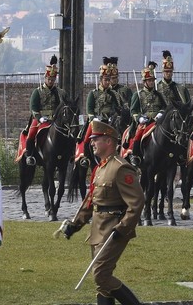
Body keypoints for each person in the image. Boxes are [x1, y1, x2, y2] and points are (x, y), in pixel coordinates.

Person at [55, 119, 144, 305]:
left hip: (114, 229)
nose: (92, 143)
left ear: (109, 141)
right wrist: (75, 224)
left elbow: (136, 203)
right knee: (102, 284)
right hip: (97, 229)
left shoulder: (121, 168)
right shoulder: (100, 168)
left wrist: (122, 228)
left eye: (96, 139)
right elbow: (91, 201)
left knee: (101, 275)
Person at [21, 55, 68, 165]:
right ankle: (30, 155)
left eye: (53, 79)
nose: (51, 81)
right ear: (45, 78)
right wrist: (39, 118)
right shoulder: (37, 92)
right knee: (32, 133)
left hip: (56, 120)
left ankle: (70, 154)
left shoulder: (61, 92)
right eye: (49, 79)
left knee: (69, 133)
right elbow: (33, 109)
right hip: (41, 119)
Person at [75, 58, 123, 163]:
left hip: (110, 121)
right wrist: (94, 118)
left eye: (109, 79)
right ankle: (84, 156)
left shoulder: (114, 94)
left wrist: (114, 115)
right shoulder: (93, 93)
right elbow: (89, 109)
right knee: (86, 138)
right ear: (101, 80)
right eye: (106, 79)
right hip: (97, 121)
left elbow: (117, 107)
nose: (107, 82)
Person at [126, 62, 167, 163]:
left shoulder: (158, 94)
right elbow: (133, 111)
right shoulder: (138, 95)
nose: (152, 82)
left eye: (152, 80)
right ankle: (135, 155)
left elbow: (164, 107)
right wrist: (139, 118)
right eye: (149, 80)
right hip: (145, 121)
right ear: (145, 82)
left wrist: (161, 113)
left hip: (158, 121)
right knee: (139, 132)